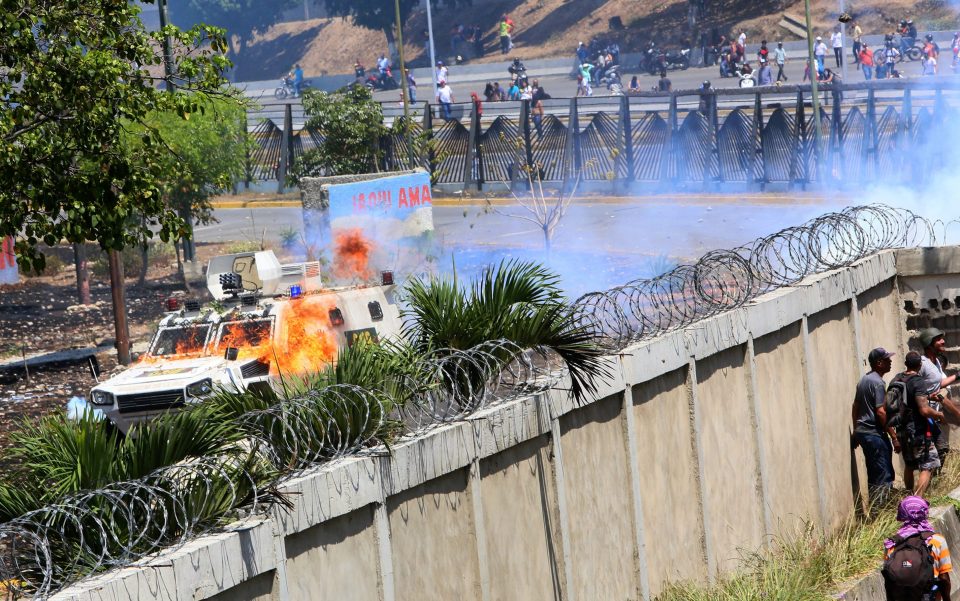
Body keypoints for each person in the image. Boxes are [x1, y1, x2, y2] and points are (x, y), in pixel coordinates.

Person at [894, 351, 946, 496]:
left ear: (906, 364)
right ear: (920, 365)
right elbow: (923, 410)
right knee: (928, 465)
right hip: (917, 431)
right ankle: (917, 501)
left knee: (909, 466)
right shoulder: (918, 381)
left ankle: (908, 497)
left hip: (901, 430)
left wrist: (928, 396)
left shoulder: (896, 379)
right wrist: (939, 414)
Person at [883, 496, 952, 601]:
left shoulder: (891, 544)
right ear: (925, 513)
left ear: (902, 514)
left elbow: (889, 578)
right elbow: (944, 578)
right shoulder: (937, 541)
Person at [852, 347, 896, 504]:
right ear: (879, 363)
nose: (890, 362)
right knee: (884, 474)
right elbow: (881, 412)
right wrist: (894, 436)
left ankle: (876, 510)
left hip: (864, 433)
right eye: (887, 360)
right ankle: (881, 512)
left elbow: (855, 407)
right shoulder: (878, 383)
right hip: (874, 434)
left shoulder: (864, 380)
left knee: (874, 473)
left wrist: (856, 430)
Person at [918, 328, 959, 464]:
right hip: (924, 415)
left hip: (934, 414)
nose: (943, 341)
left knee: (942, 449)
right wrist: (929, 397)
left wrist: (957, 375)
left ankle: (934, 478)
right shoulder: (922, 364)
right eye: (939, 339)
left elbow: (939, 383)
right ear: (929, 343)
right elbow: (914, 389)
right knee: (937, 451)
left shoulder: (935, 363)